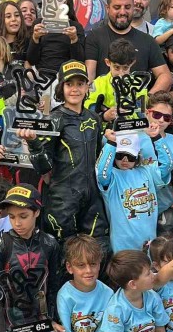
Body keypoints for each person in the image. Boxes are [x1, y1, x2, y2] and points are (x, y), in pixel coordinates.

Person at [18, 60, 109, 257]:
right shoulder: (53, 119)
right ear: (61, 87)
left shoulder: (94, 118)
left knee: (98, 248)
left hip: (93, 196)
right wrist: (33, 143)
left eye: (80, 84)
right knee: (62, 251)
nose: (75, 89)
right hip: (63, 199)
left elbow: (101, 158)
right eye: (69, 84)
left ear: (87, 87)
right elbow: (43, 167)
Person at [0, 184, 67, 332]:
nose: (17, 223)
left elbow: (53, 288)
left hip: (41, 324)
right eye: (12, 217)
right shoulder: (0, 246)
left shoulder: (50, 244)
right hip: (12, 327)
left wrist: (53, 321)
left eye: (23, 216)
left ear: (36, 212)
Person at [85, 0, 172, 92]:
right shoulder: (94, 37)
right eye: (117, 7)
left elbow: (166, 77)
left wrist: (146, 98)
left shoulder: (147, 41)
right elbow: (89, 77)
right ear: (108, 8)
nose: (122, 12)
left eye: (127, 7)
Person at [57, 235, 121, 332]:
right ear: (69, 267)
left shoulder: (108, 293)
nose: (88, 270)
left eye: (93, 264)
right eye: (81, 265)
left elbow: (102, 331)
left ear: (99, 264)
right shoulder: (64, 295)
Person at [96, 131, 169, 253]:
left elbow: (167, 165)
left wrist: (157, 138)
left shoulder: (147, 171)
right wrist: (111, 143)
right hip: (123, 248)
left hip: (150, 245)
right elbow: (101, 174)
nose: (125, 160)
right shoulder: (112, 176)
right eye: (120, 155)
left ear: (137, 156)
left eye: (130, 156)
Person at [85, 38, 147, 130]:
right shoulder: (98, 84)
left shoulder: (138, 85)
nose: (121, 74)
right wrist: (104, 116)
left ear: (132, 63)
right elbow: (87, 113)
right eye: (117, 68)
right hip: (106, 132)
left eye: (125, 68)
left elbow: (143, 114)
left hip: (133, 131)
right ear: (108, 62)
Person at [27, 0, 86, 75]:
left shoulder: (75, 27)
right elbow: (31, 60)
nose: (55, 2)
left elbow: (79, 62)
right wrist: (35, 38)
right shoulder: (39, 24)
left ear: (66, 0)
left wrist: (74, 39)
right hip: (41, 76)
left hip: (66, 77)